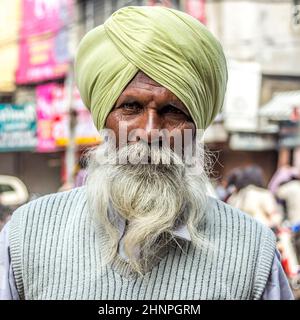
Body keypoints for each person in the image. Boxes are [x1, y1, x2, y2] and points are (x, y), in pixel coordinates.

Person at [0, 6, 293, 300]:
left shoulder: (253, 253)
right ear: (104, 118)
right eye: (131, 108)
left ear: (197, 126)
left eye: (172, 111)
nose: (151, 132)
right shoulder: (27, 235)